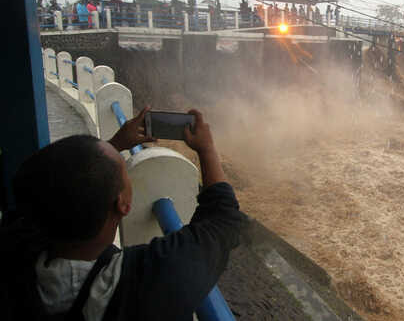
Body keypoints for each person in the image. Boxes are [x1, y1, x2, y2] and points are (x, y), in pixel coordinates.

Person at [1, 107, 243, 321]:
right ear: (123, 205)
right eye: (125, 175)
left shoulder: (16, 246)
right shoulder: (148, 282)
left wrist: (114, 144)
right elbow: (224, 219)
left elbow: (54, 186)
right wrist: (207, 148)